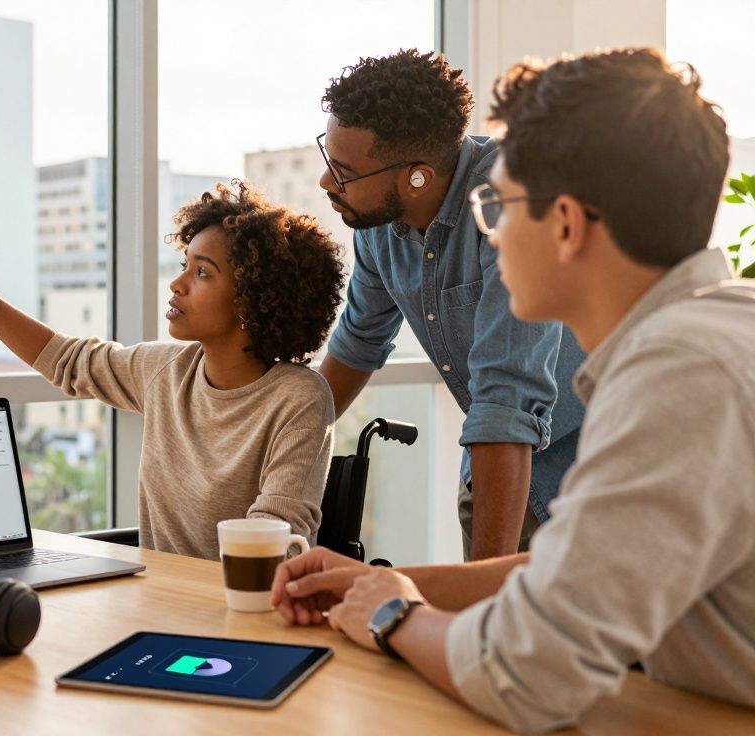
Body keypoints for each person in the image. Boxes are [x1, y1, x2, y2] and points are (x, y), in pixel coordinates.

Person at [272, 48, 755, 731]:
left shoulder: (680, 374)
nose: (489, 230)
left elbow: (527, 673)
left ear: (565, 224)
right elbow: (586, 569)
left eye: (498, 203)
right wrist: (376, 583)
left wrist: (394, 614)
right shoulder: (707, 336)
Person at [0, 181, 345, 560]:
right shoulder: (165, 370)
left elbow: (278, 533)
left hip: (243, 613)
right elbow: (64, 359)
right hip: (158, 603)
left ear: (253, 297)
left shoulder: (299, 397)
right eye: (184, 264)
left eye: (203, 273)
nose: (178, 283)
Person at [315, 49, 585, 560]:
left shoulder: (510, 203)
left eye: (343, 171)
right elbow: (357, 343)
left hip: (590, 471)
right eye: (327, 159)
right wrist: (275, 455)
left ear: (417, 176)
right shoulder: (377, 225)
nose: (326, 183)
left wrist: (480, 586)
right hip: (493, 471)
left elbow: (507, 396)